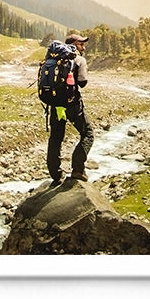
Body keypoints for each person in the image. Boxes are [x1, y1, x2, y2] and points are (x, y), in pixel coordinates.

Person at [47, 33, 94, 185]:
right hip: (72, 104)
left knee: (56, 138)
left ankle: (56, 174)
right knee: (88, 134)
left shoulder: (54, 59)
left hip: (56, 105)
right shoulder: (79, 59)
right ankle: (78, 169)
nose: (83, 47)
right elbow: (82, 82)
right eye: (81, 44)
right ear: (73, 43)